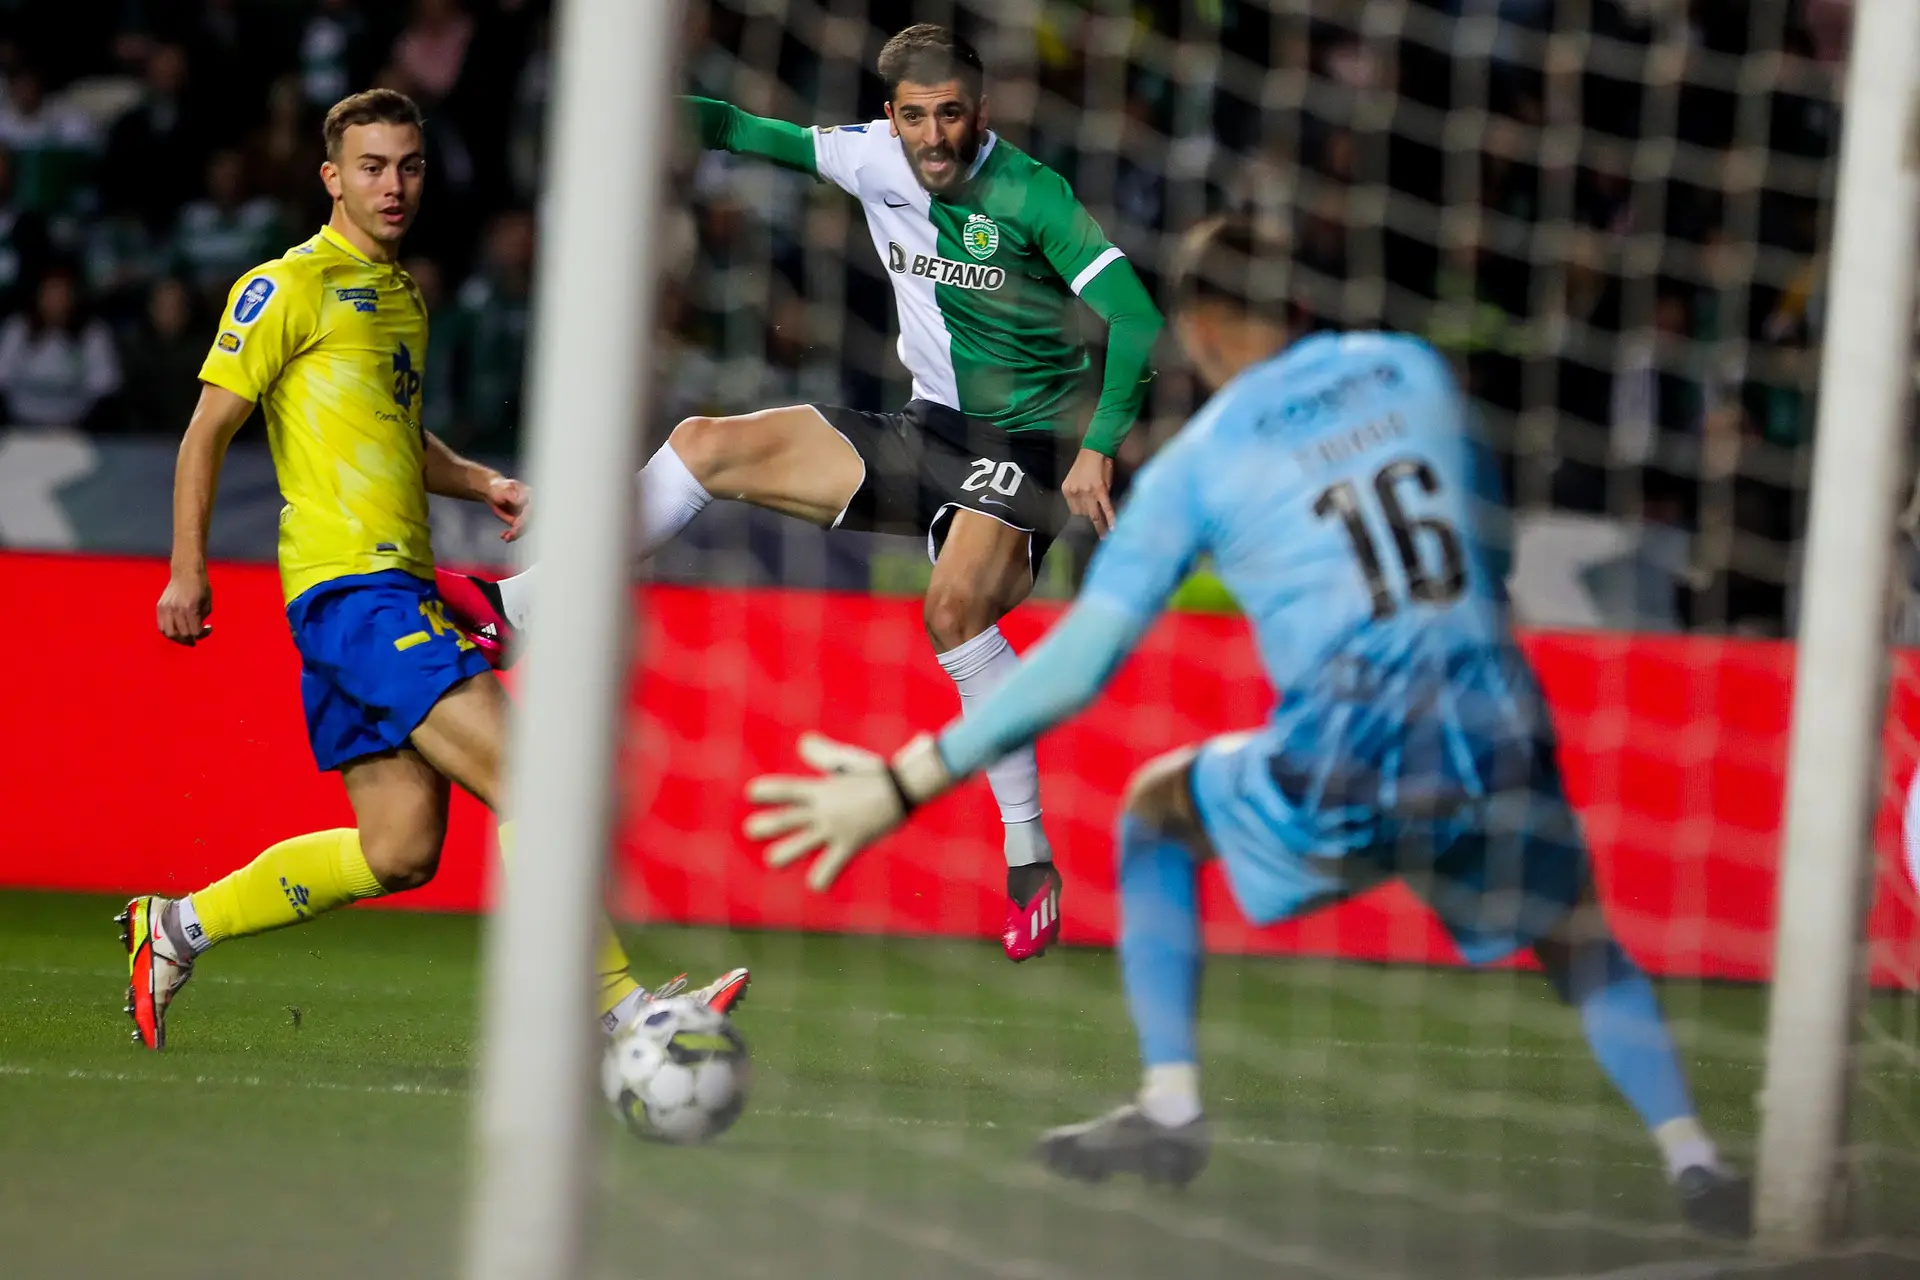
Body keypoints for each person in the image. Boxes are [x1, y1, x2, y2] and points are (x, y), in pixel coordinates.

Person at [740, 214, 1752, 1238]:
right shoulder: (1415, 371)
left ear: (1201, 332)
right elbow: (1485, 548)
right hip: (1494, 728)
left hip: (1348, 749)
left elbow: (1084, 657)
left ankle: (1172, 1100)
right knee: (1580, 941)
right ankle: (1696, 1158)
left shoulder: (1204, 458)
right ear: (1306, 302)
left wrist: (907, 778)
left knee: (1155, 808)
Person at [438, 24, 1165, 962]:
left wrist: (1098, 448)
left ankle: (1028, 859)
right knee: (704, 444)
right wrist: (633, 109)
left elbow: (1136, 318)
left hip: (1027, 448)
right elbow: (738, 128)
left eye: (952, 115)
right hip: (926, 429)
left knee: (952, 609)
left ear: (980, 112)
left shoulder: (1033, 193)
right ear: (890, 117)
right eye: (915, 117)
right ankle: (515, 611)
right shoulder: (866, 157)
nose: (934, 137)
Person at [127, 88, 746, 1053]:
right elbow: (208, 428)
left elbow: (394, 435)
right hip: (354, 596)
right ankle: (627, 1014)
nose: (394, 185)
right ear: (331, 177)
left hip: (389, 597)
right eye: (372, 167)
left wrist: (476, 481)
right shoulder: (286, 287)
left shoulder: (403, 294)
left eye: (409, 165)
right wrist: (186, 569)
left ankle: (177, 926)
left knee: (401, 851)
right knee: (540, 780)